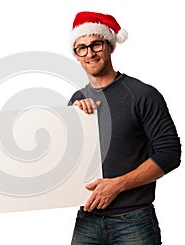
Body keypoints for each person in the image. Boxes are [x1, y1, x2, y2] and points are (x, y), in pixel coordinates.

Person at [68, 11, 181, 244]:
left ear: (110, 46)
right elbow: (67, 160)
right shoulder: (76, 100)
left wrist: (117, 185)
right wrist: (72, 119)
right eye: (82, 48)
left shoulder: (142, 95)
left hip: (134, 220)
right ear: (76, 55)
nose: (90, 53)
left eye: (96, 44)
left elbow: (170, 154)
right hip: (87, 218)